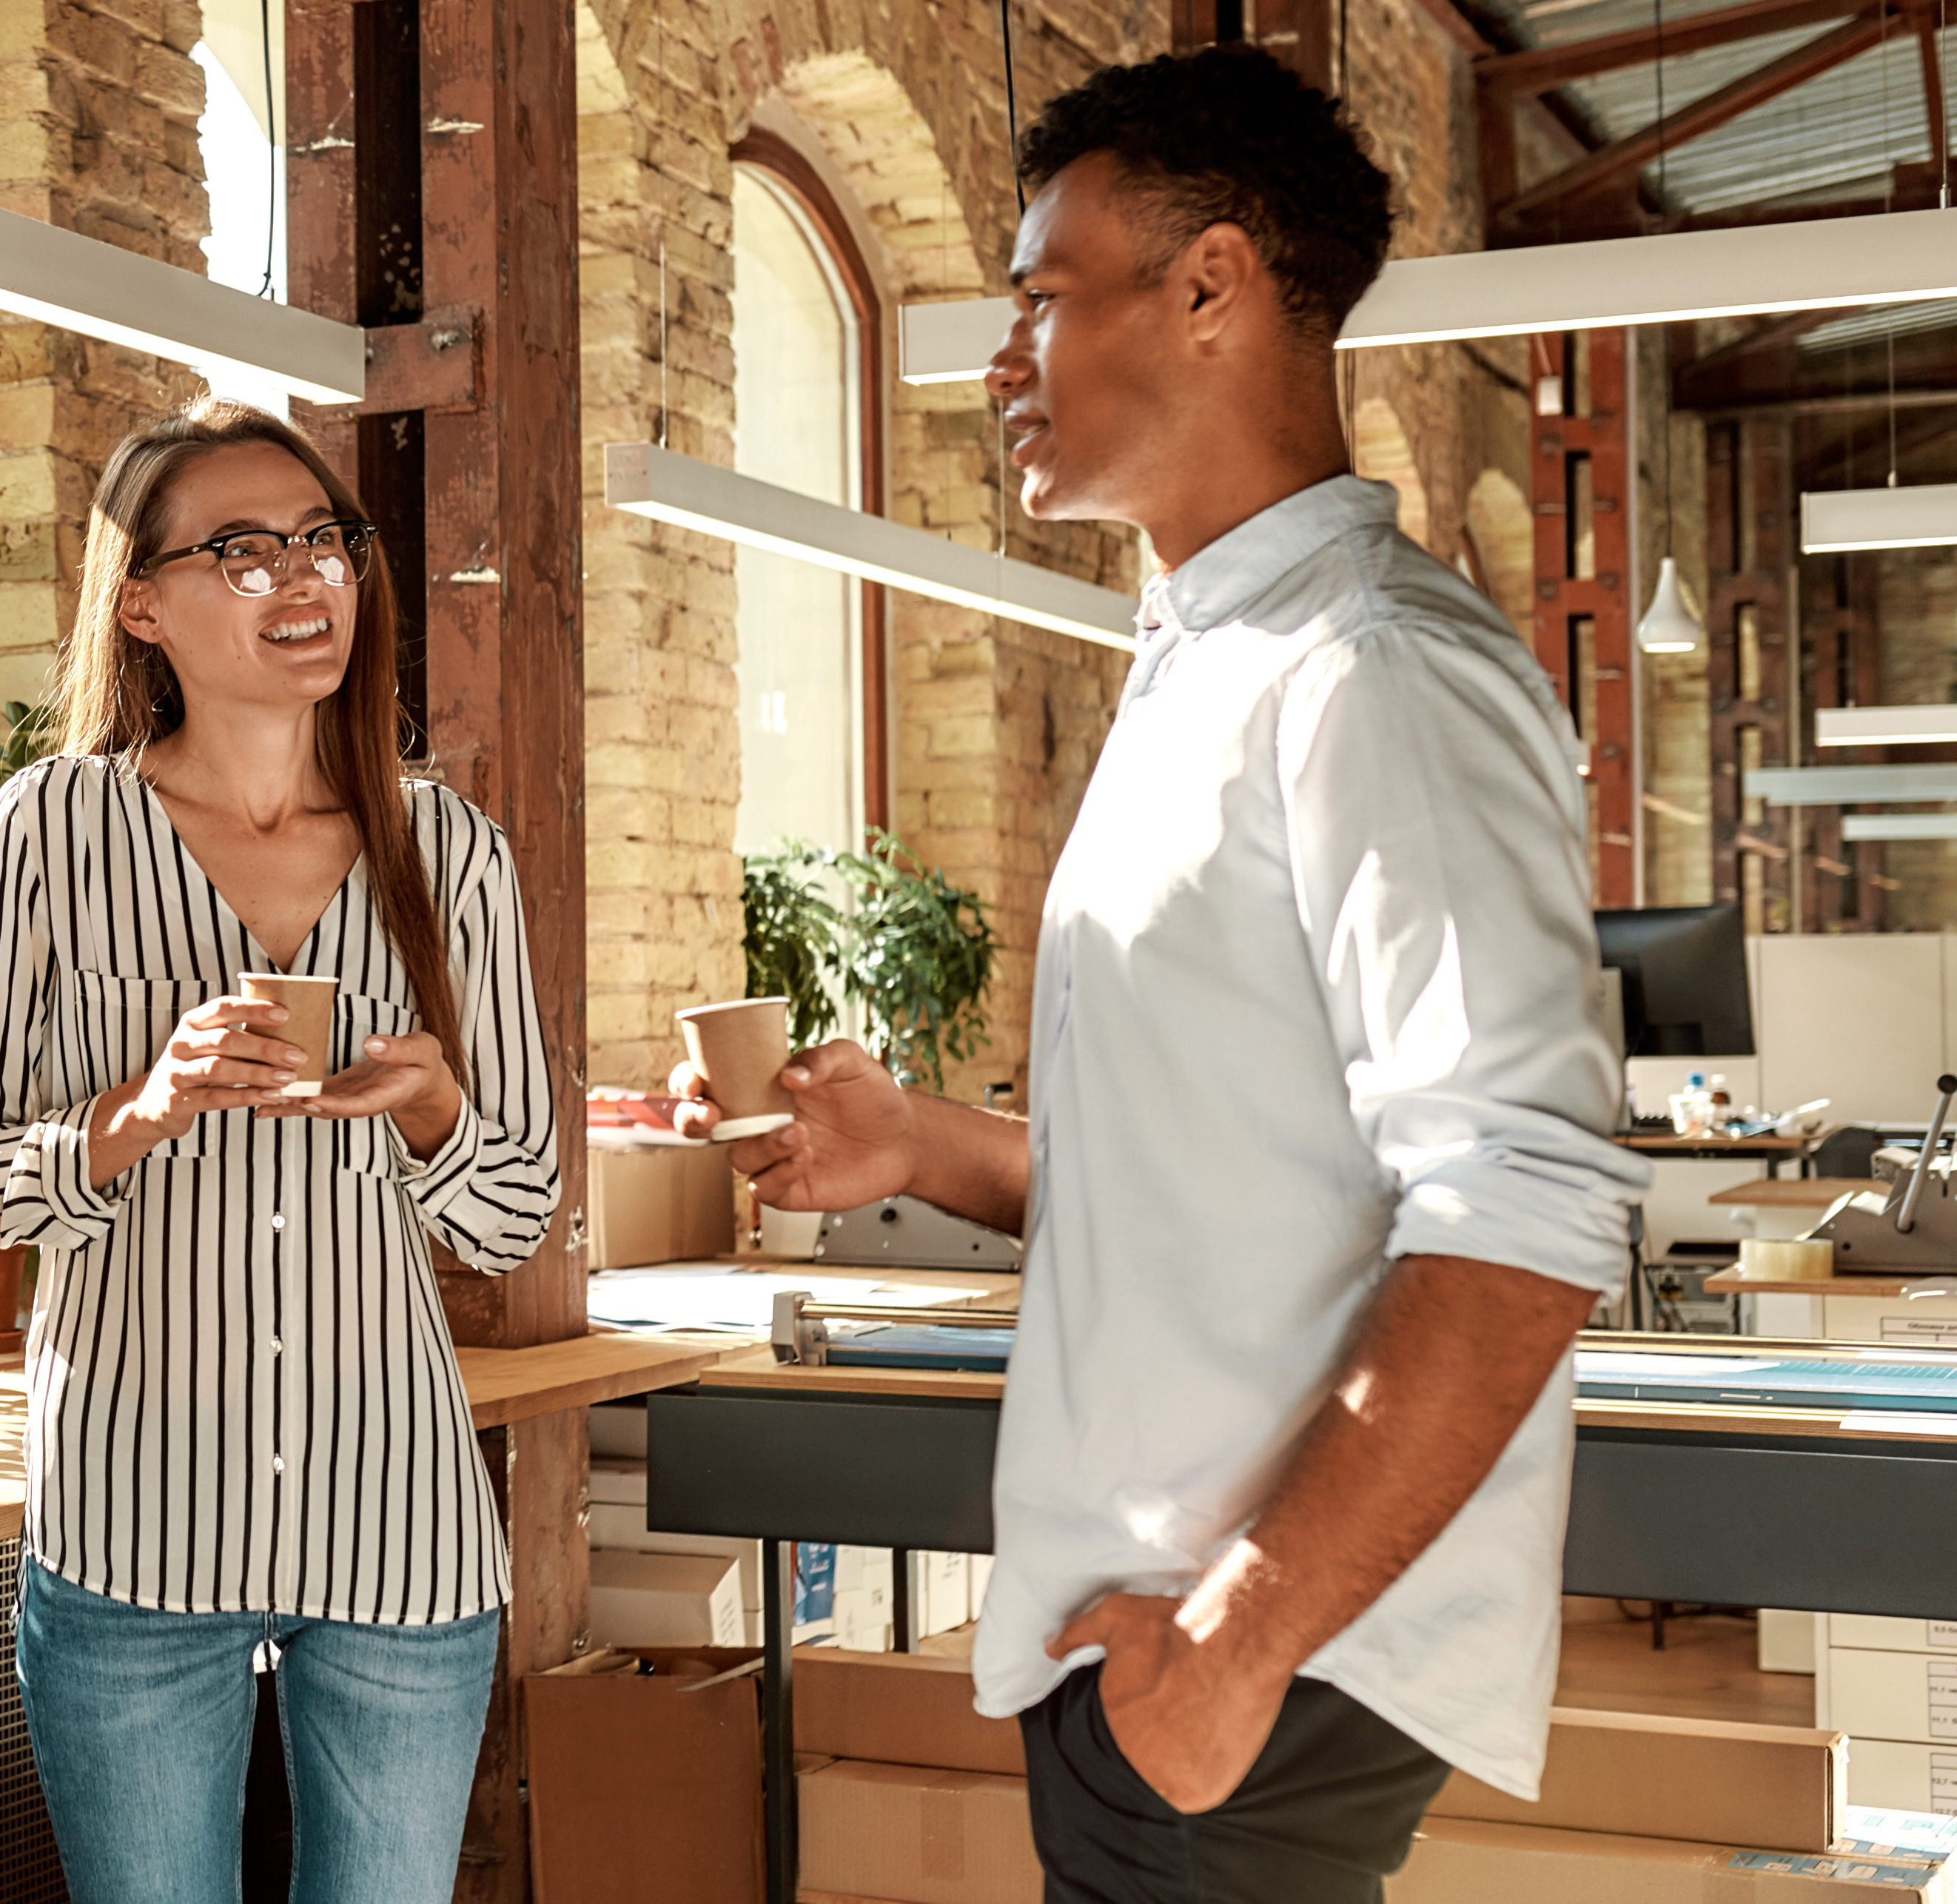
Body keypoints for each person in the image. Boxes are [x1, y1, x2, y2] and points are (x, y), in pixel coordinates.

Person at [677, 47, 1651, 1904]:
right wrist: (929, 1147)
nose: (1001, 360)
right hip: (1157, 1633)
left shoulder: (1371, 670)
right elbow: (1227, 1175)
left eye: (1041, 297)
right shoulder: (1205, 656)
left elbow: (1520, 1206)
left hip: (1248, 1654)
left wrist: (1229, 1647)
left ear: (1208, 285)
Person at [0, 400, 564, 1903]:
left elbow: (516, 1207)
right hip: (134, 1521)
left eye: (325, 541)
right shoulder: (53, 831)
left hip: (396, 1524)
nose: (303, 577)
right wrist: (138, 1110)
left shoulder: (445, 848)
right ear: (139, 600)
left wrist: (431, 1113)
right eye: (243, 549)